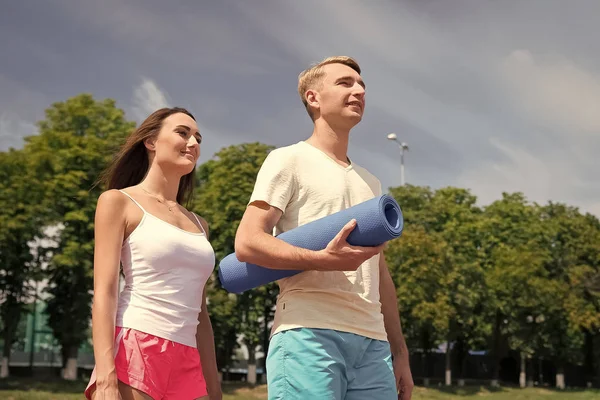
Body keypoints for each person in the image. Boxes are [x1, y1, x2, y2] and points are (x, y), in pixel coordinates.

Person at [235, 56, 414, 399]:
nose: (359, 90)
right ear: (313, 98)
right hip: (308, 332)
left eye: (361, 85)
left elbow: (379, 271)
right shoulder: (288, 159)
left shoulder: (371, 182)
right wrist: (323, 259)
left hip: (372, 342)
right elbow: (248, 242)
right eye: (345, 83)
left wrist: (400, 353)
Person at [84, 107, 221, 400]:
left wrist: (214, 384)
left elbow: (201, 314)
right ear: (150, 142)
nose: (194, 143)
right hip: (136, 345)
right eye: (183, 133)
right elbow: (105, 292)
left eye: (198, 137)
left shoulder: (200, 225)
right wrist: (106, 379)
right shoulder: (118, 202)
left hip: (188, 358)